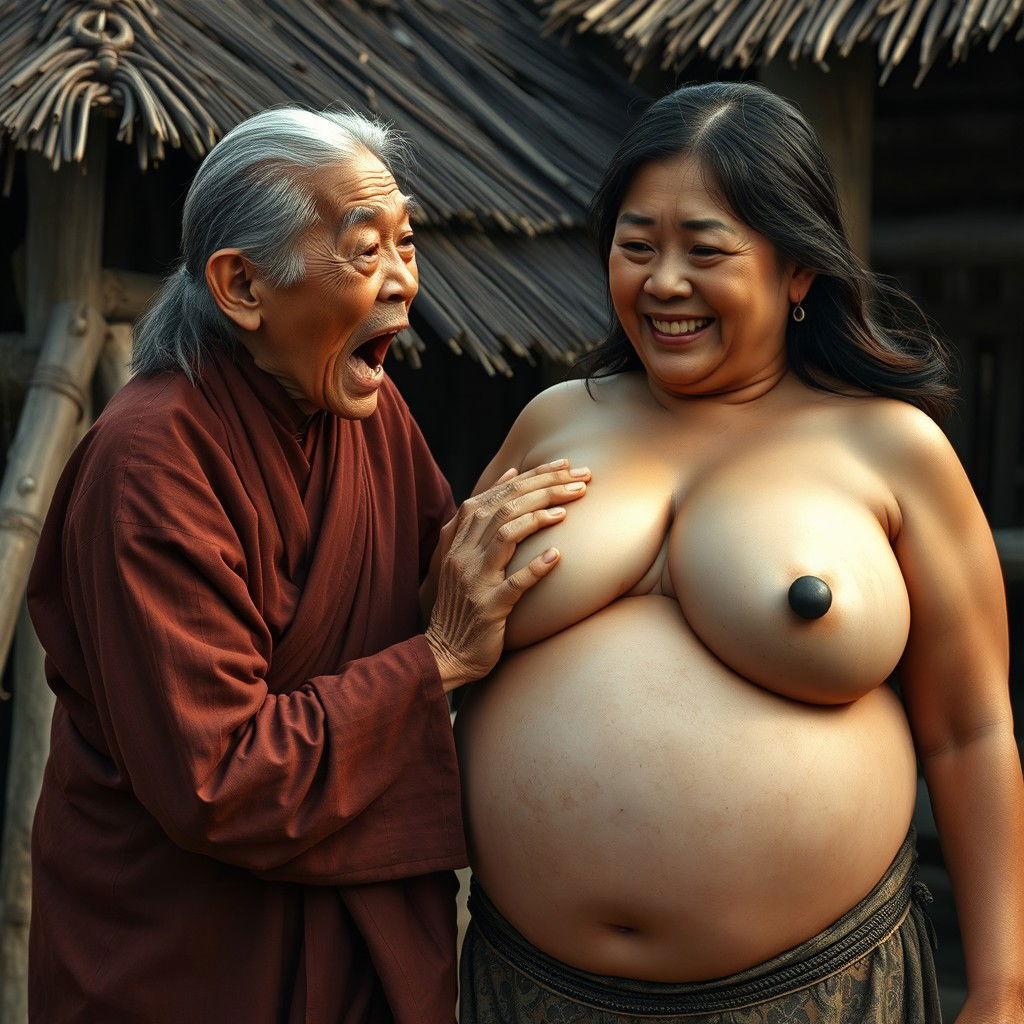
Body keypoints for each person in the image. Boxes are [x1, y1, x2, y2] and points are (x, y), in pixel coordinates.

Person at [452, 82, 1024, 1023]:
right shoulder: (554, 421)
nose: (663, 282)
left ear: (798, 268)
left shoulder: (892, 449)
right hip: (527, 988)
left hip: (811, 990)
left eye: (704, 251)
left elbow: (972, 731)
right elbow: (435, 642)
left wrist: (1002, 988)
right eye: (636, 248)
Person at [26, 107, 589, 1023]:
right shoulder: (151, 463)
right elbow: (219, 779)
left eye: (407, 242)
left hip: (353, 939)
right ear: (242, 286)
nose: (405, 283)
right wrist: (439, 657)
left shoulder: (365, 414)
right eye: (365, 253)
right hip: (187, 960)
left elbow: (435, 580)